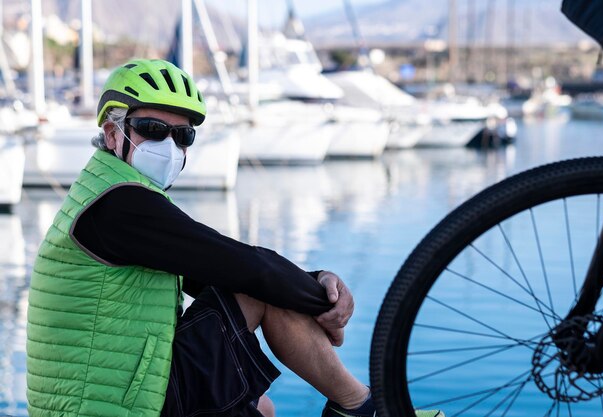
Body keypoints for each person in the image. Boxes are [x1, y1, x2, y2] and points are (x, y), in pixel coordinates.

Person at [25, 58, 443, 417]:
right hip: (113, 405)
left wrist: (313, 282)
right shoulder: (119, 206)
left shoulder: (105, 194)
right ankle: (363, 408)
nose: (169, 145)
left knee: (260, 408)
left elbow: (213, 276)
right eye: (152, 128)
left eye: (183, 135)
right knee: (259, 289)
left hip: (109, 396)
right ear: (114, 132)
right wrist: (322, 299)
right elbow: (247, 269)